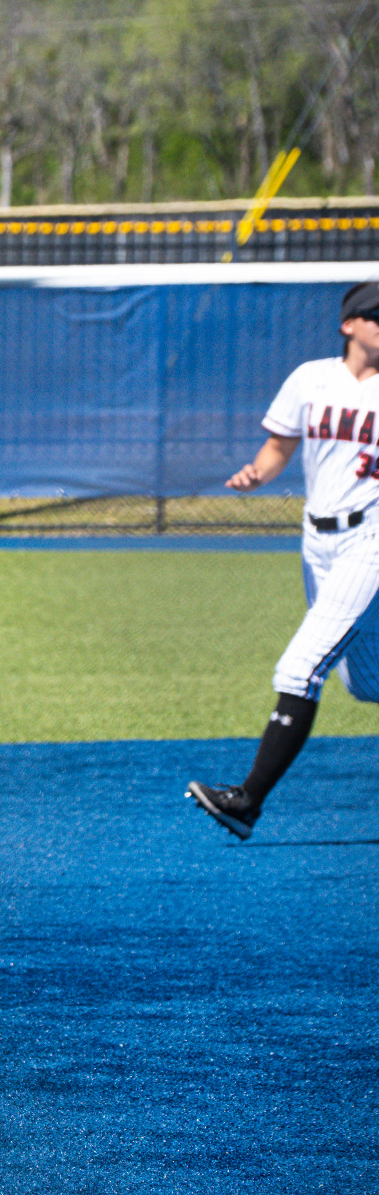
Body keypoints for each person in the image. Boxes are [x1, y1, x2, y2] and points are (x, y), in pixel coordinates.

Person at [188, 280, 379, 839]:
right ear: (350, 324)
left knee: (301, 668)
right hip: (316, 543)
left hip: (370, 540)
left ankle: (246, 802)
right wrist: (256, 474)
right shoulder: (310, 378)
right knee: (366, 683)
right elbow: (278, 447)